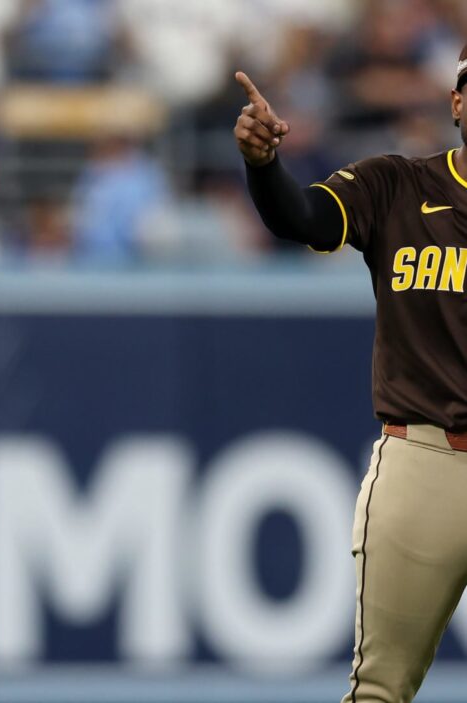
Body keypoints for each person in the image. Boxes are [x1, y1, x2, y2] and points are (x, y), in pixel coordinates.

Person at [234, 45, 467, 703]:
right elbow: (300, 217)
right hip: (424, 462)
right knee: (379, 690)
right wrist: (262, 165)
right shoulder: (396, 185)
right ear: (454, 101)